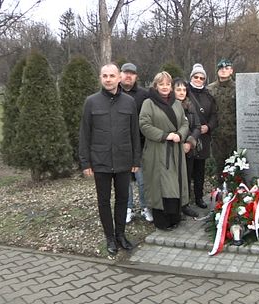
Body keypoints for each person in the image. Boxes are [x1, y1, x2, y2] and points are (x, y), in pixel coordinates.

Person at [78, 63, 140, 255]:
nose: (108, 79)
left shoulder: (129, 102)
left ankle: (121, 234)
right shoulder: (91, 102)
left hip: (123, 160)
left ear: (119, 78)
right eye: (104, 76)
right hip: (100, 161)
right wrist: (85, 162)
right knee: (103, 201)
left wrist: (136, 160)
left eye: (112, 76)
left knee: (122, 199)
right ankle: (110, 238)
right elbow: (84, 134)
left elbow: (134, 134)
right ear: (100, 78)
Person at [140, 72, 190, 230]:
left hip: (175, 150)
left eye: (167, 84)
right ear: (155, 86)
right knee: (160, 184)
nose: (165, 87)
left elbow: (184, 123)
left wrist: (180, 135)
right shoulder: (148, 103)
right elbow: (144, 125)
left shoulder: (176, 104)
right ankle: (162, 220)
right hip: (157, 150)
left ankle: (174, 217)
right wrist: (165, 135)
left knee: (175, 183)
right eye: (161, 84)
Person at [119, 62, 153, 224]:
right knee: (125, 181)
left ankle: (146, 207)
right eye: (125, 72)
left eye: (131, 73)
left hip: (140, 145)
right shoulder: (114, 93)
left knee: (142, 180)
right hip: (120, 146)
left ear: (136, 76)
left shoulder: (143, 95)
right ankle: (128, 208)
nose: (128, 76)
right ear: (120, 74)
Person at [187, 63, 218, 209]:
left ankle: (199, 197)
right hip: (189, 136)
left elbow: (214, 115)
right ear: (191, 77)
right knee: (187, 170)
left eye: (201, 78)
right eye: (196, 77)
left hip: (203, 138)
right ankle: (185, 200)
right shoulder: (185, 92)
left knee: (200, 171)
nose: (198, 79)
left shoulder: (208, 95)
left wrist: (209, 126)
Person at [174, 77, 201, 218]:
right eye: (178, 89)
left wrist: (190, 143)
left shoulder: (190, 105)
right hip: (173, 148)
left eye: (184, 89)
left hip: (188, 149)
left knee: (187, 177)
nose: (181, 92)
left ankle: (185, 205)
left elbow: (197, 126)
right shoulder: (169, 106)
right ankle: (175, 206)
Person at [208, 59, 236, 174]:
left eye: (226, 68)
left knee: (235, 167)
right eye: (221, 68)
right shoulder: (210, 89)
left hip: (234, 135)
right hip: (216, 135)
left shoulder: (238, 88)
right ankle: (220, 191)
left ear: (231, 71)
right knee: (219, 166)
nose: (223, 70)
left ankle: (235, 191)